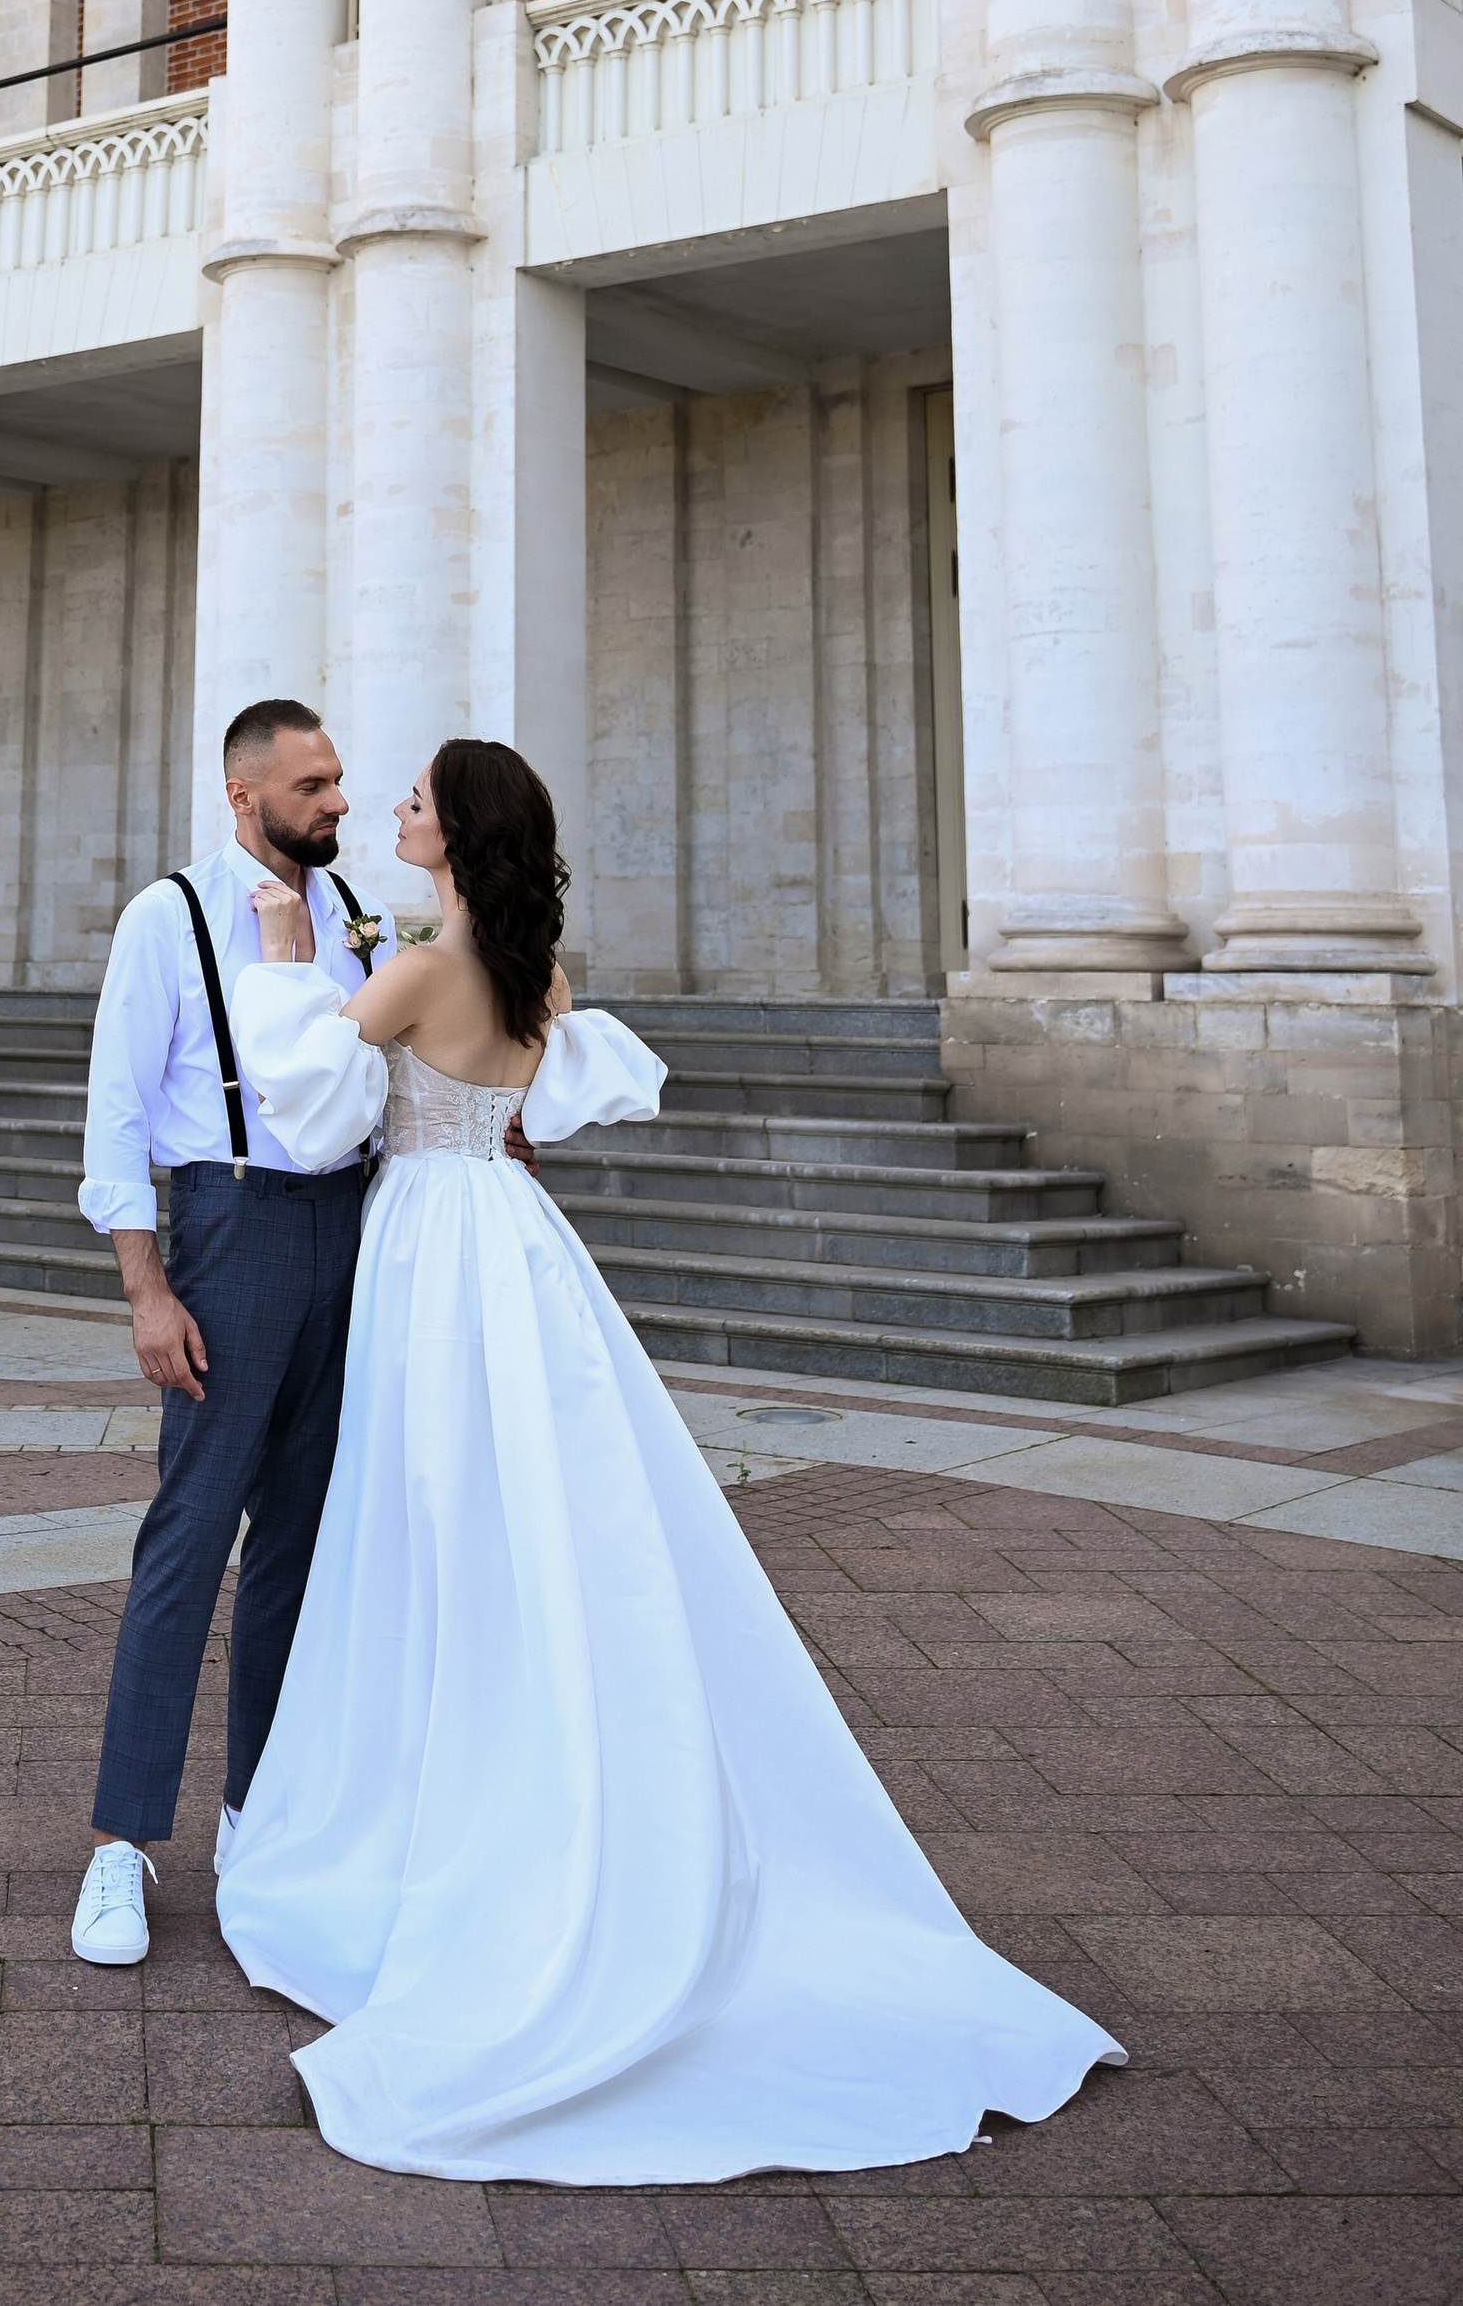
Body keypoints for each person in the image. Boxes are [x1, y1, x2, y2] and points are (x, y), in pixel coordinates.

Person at [211, 736, 1122, 2183]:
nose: (394, 808)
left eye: (418, 799)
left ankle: (442, 1798)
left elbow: (304, 1104)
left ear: (459, 832)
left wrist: (277, 958)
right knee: (523, 1503)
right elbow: (542, 1107)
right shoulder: (536, 976)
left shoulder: (416, 973)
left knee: (427, 1512)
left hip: (433, 1248)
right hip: (515, 1240)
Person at [68, 699, 391, 1971]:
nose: (337, 802)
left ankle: (258, 1818)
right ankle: (120, 1843)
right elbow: (114, 1111)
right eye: (313, 785)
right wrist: (146, 1289)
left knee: (299, 1545)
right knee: (190, 1533)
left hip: (350, 1226)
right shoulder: (170, 916)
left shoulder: (354, 910)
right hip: (230, 1224)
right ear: (242, 792)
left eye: (339, 779)